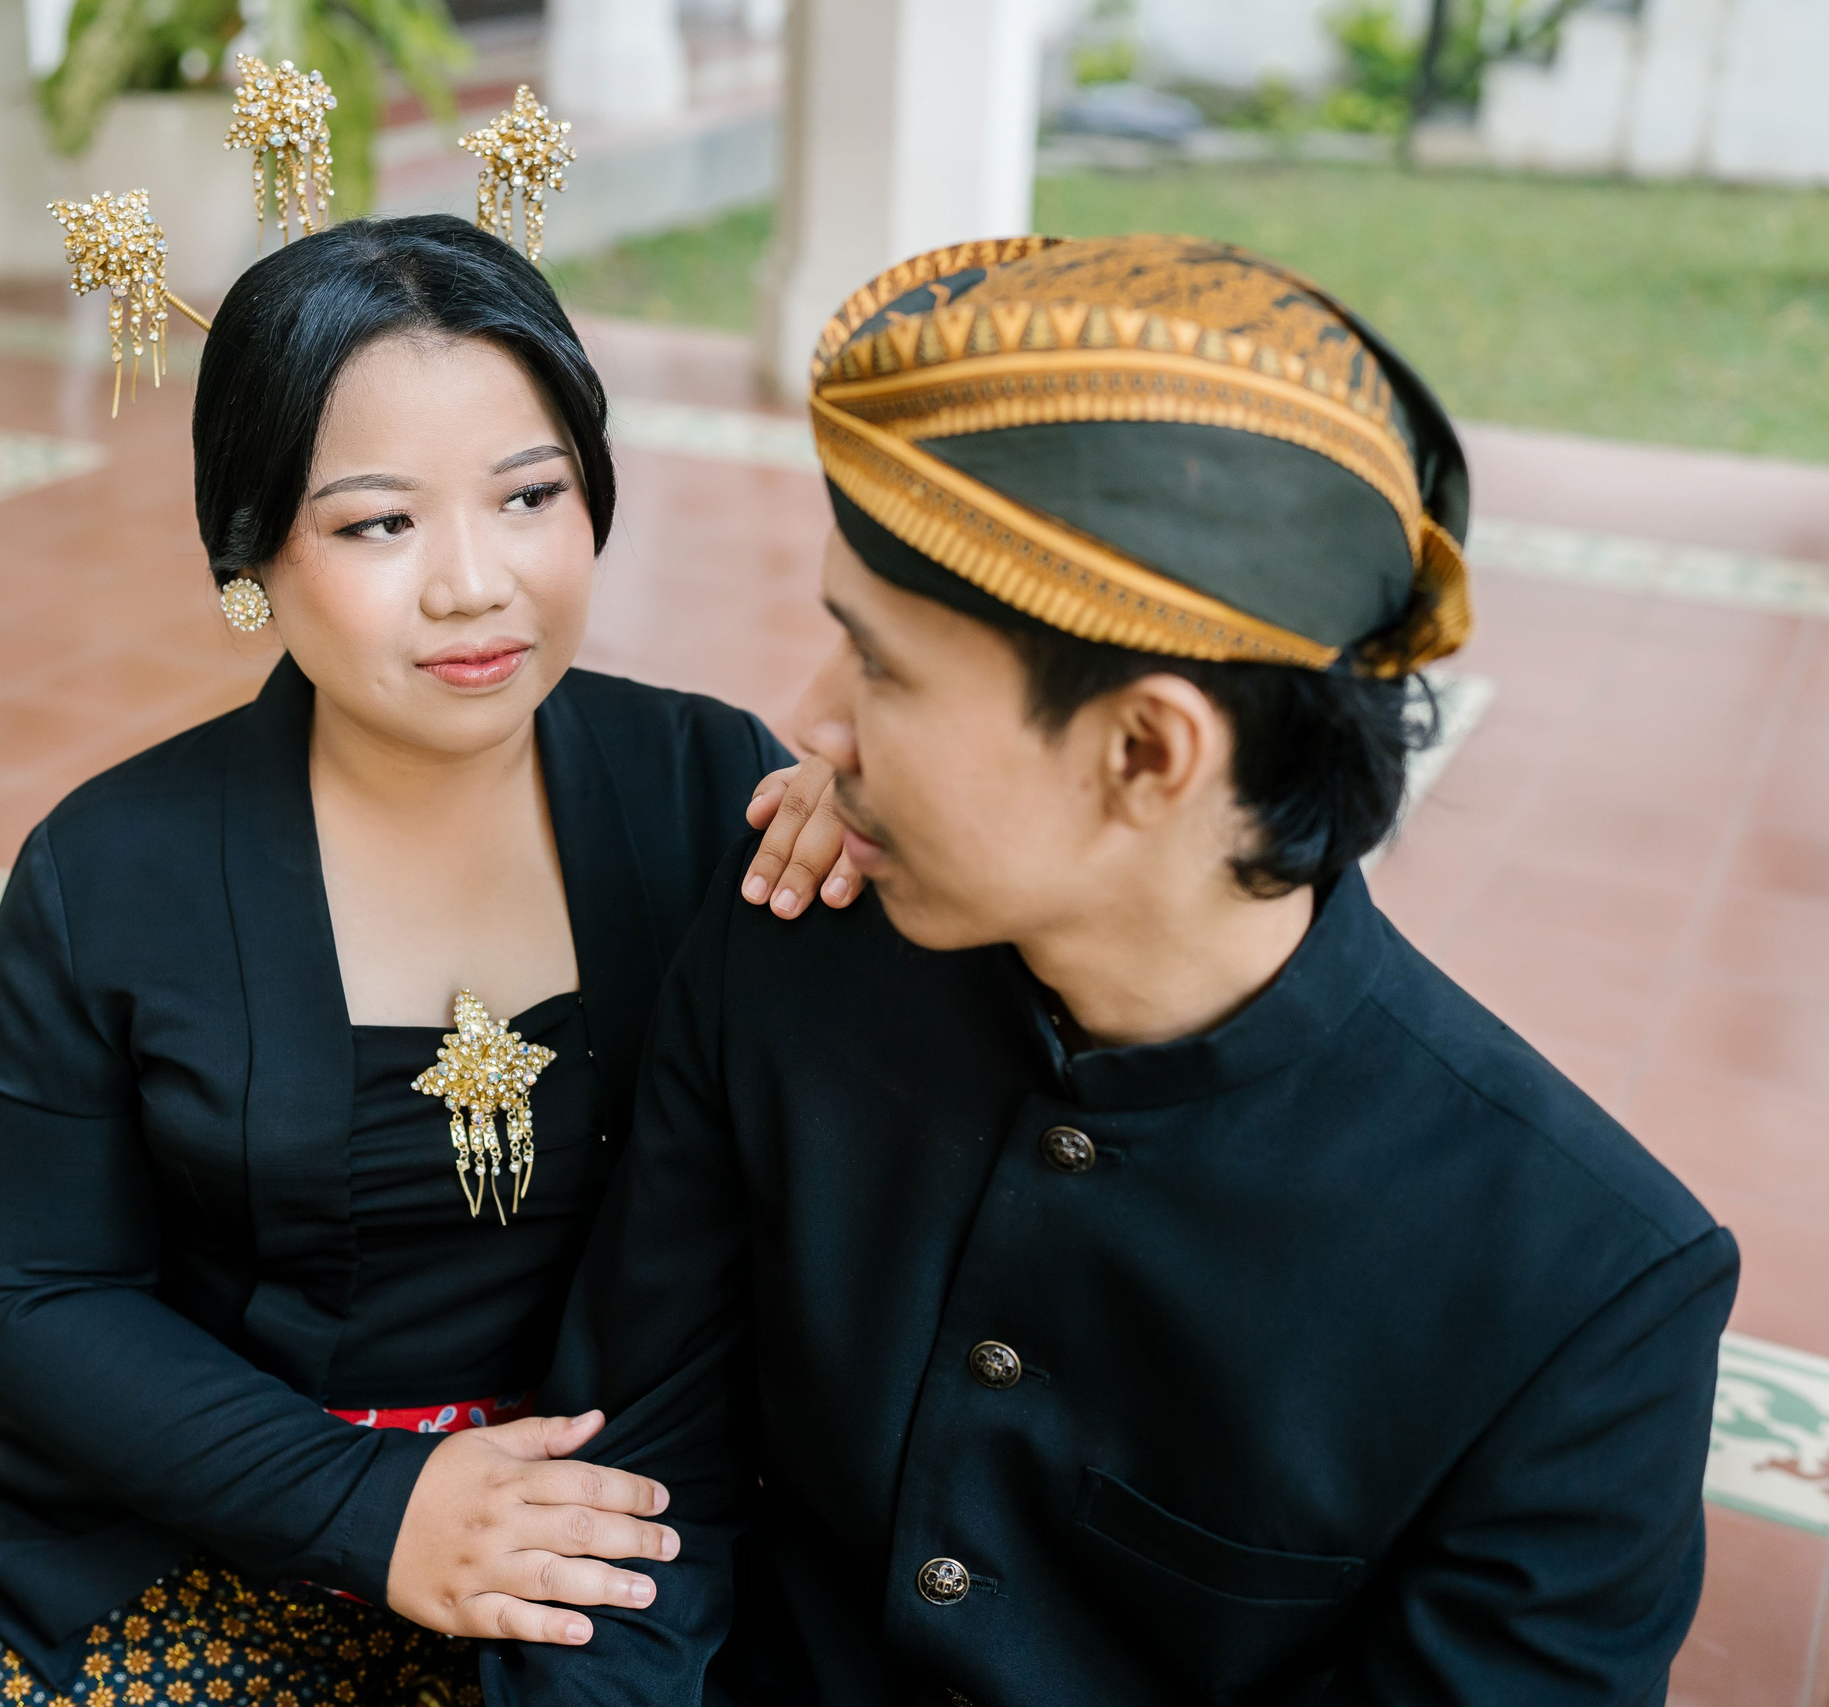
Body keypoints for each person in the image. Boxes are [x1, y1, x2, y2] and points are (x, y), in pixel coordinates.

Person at [481, 234, 1741, 1705]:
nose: (813, 722)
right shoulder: (786, 953)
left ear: (1147, 751)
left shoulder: (1577, 1294)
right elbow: (627, 1518)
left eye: (881, 669)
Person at [0, 213, 861, 1707]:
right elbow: (34, 1288)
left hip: (618, 1515)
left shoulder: (706, 791)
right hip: (219, 1507)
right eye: (378, 523)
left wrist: (888, 849)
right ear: (252, 556)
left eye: (529, 495)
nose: (474, 583)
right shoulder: (109, 871)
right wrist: (374, 1506)